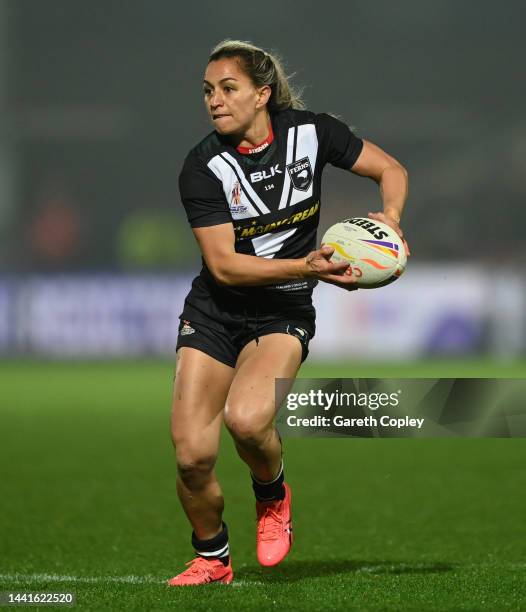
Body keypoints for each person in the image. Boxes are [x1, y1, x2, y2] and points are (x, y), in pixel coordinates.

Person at [168, 40, 409, 586]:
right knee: (191, 455)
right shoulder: (202, 166)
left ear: (262, 93)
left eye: (228, 88)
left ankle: (272, 493)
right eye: (208, 91)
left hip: (282, 309)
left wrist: (391, 219)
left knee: (249, 421)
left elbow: (390, 169)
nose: (214, 101)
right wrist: (308, 265)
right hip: (215, 310)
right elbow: (225, 267)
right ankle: (212, 558)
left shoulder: (312, 132)